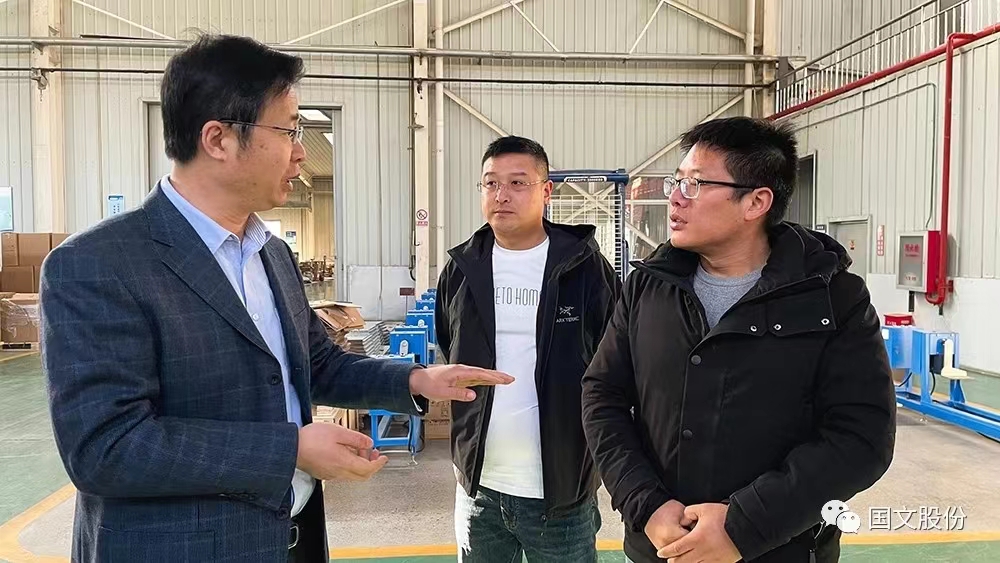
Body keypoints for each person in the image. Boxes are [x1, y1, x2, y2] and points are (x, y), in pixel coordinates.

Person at [39, 34, 511, 563]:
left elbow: (316, 363)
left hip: (292, 539)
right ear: (218, 139)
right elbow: (106, 448)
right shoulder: (98, 265)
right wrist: (290, 449)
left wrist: (414, 380)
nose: (300, 151)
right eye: (288, 130)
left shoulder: (270, 252)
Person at [581, 117, 896, 563]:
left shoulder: (831, 296)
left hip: (778, 551)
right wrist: (645, 504)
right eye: (677, 181)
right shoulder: (648, 286)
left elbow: (861, 438)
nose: (675, 197)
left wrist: (743, 527)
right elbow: (602, 395)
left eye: (695, 184)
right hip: (662, 547)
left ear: (756, 202)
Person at [435, 136, 621, 562]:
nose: (501, 195)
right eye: (490, 183)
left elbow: (612, 362)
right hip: (479, 490)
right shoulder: (462, 269)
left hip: (560, 494)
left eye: (517, 182)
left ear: (546, 190)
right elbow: (450, 343)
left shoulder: (584, 268)